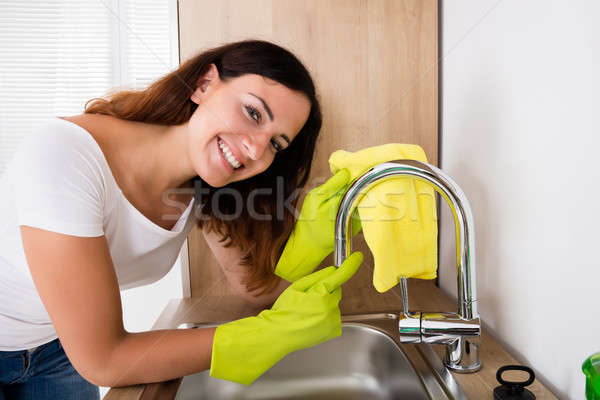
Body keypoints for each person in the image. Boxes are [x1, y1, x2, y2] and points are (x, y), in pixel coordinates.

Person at [0, 39, 363, 398]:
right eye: (253, 113)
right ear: (204, 84)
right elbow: (104, 359)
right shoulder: (64, 157)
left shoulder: (203, 185)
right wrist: (262, 336)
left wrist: (321, 235)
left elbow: (251, 286)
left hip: (56, 347)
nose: (255, 149)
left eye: (275, 144)